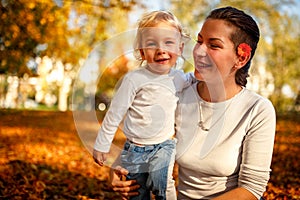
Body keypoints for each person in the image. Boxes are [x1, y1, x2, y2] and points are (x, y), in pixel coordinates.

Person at [109, 6, 276, 200]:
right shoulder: (178, 89)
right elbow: (144, 135)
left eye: (213, 45)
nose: (198, 51)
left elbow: (252, 190)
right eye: (199, 41)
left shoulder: (257, 110)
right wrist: (118, 168)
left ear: (241, 57)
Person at [93, 11, 193, 200]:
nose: (161, 49)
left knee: (161, 182)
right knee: (136, 193)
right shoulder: (134, 79)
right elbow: (114, 113)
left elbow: (200, 82)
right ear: (141, 52)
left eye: (168, 43)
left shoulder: (179, 78)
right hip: (134, 149)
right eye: (152, 43)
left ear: (180, 49)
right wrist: (102, 144)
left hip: (164, 145)